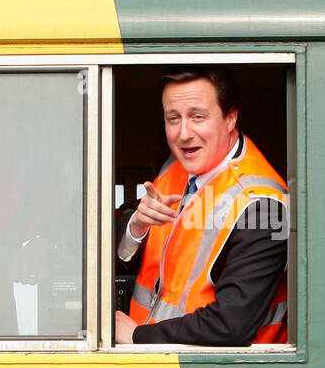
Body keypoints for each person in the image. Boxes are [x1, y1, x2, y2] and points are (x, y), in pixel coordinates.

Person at [115, 67, 289, 346]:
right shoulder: (176, 166)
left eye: (198, 116)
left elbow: (231, 324)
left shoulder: (263, 205)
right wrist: (137, 226)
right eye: (174, 118)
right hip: (157, 367)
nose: (184, 134)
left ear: (230, 118)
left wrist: (136, 336)